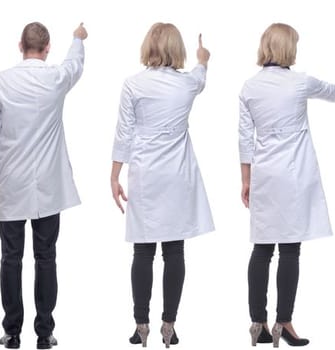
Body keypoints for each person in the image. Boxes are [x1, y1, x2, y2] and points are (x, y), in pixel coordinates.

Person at [238, 22, 335, 348]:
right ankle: (284, 322)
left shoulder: (249, 87)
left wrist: (246, 180)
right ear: (288, 49)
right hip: (294, 176)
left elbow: (244, 138)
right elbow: (334, 91)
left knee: (262, 249)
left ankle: (258, 322)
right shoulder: (299, 83)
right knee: (290, 250)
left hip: (265, 177)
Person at [108, 23, 214, 348]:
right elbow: (200, 76)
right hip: (177, 177)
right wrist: (203, 58)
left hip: (145, 176)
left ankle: (141, 326)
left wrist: (114, 175)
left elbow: (123, 133)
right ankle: (169, 326)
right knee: (174, 251)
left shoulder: (133, 85)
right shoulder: (187, 85)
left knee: (143, 250)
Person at [0, 21, 87, 350]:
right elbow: (75, 64)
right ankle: (44, 333)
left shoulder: (0, 82)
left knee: (10, 258)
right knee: (46, 258)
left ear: (20, 45)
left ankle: (12, 332)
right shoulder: (56, 79)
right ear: (46, 49)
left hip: (12, 184)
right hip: (48, 186)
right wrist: (78, 38)